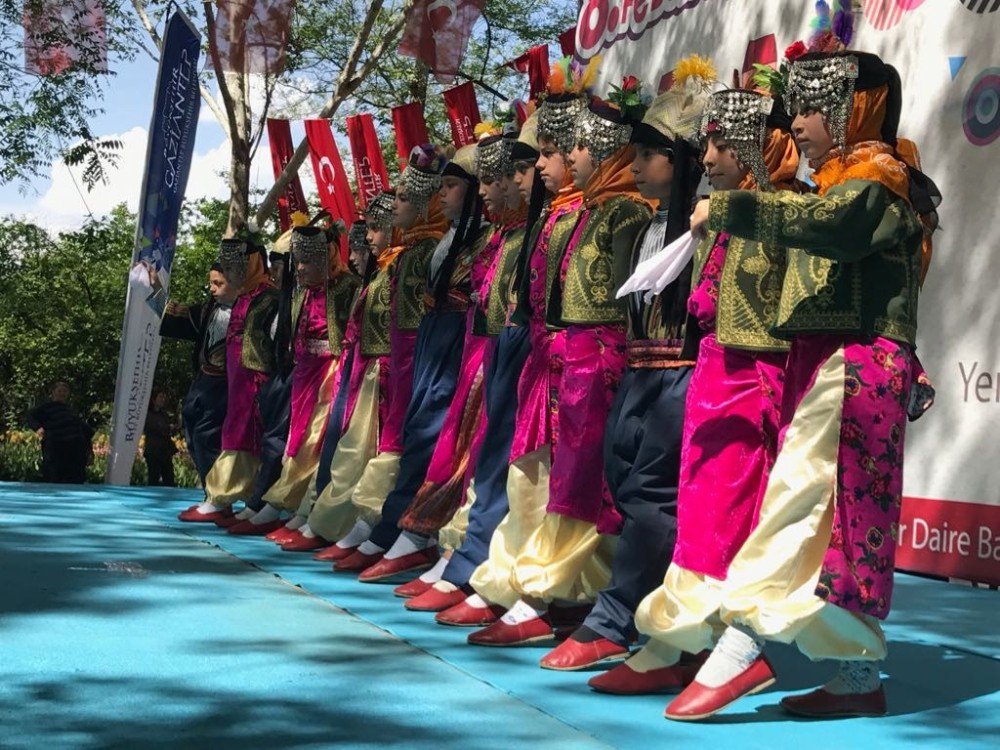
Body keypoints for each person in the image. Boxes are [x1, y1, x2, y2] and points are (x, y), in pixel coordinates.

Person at [666, 29, 939, 721]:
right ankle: (856, 679)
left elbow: (838, 228)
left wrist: (729, 208)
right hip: (829, 363)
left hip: (857, 366)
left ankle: (740, 648)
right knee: (836, 522)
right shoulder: (846, 181)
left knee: (795, 502)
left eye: (810, 112)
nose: (798, 128)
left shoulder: (878, 178)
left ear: (852, 109)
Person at [589, 66, 807, 697]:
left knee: (738, 519)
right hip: (715, 379)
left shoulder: (791, 214)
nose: (707, 156)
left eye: (721, 144)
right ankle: (686, 641)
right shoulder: (718, 220)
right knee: (705, 517)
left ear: (756, 150)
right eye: (705, 144)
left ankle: (712, 647)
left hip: (757, 387)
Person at [467, 60, 655, 646]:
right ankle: (532, 581)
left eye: (567, 149)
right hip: (555, 360)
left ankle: (561, 591)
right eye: (556, 151)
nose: (562, 161)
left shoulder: (625, 211)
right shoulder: (582, 213)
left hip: (595, 362)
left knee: (578, 481)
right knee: (536, 474)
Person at [540, 64, 710, 671]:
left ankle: (615, 621)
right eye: (633, 153)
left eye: (650, 153)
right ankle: (651, 622)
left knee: (650, 496)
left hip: (681, 371)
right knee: (622, 480)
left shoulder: (705, 225)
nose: (635, 164)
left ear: (682, 159)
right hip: (640, 370)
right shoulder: (648, 225)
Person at [436, 61, 589, 629]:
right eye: (535, 159)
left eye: (546, 157)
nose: (537, 171)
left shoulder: (596, 216)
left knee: (550, 475)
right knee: (510, 465)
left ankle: (555, 590)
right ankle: (494, 568)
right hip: (526, 353)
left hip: (572, 361)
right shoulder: (541, 222)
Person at [382, 118, 530, 591]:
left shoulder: (503, 235)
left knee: (465, 443)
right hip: (457, 343)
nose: (442, 195)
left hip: (482, 347)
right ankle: (425, 535)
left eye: (453, 185)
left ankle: (457, 547)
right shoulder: (476, 239)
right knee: (435, 434)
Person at [338, 142, 484, 579]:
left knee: (429, 434)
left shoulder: (449, 246)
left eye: (451, 186)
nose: (441, 194)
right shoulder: (425, 252)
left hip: (453, 348)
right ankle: (397, 527)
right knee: (415, 430)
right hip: (424, 351)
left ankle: (416, 533)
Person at [259, 222, 359, 549]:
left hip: (331, 371)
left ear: (327, 257)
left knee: (317, 439)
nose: (301, 268)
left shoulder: (347, 287)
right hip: (304, 372)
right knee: (299, 438)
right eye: (297, 261)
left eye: (308, 261)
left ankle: (305, 509)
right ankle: (293, 505)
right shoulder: (304, 291)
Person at [179, 231, 279, 523]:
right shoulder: (245, 298)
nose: (233, 272)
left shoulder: (269, 298)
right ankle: (230, 498)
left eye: (237, 267)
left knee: (248, 437)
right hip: (237, 383)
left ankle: (230, 499)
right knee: (233, 434)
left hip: (256, 383)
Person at [159, 263, 233, 490]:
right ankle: (210, 490)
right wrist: (155, 288)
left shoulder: (247, 312)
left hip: (225, 384)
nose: (212, 288)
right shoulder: (208, 311)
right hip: (203, 380)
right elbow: (173, 316)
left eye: (218, 283)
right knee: (191, 426)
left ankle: (217, 495)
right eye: (211, 283)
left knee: (206, 435)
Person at [26, 381, 93, 484]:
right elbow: (31, 417)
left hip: (74, 449)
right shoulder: (46, 408)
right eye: (59, 391)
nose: (62, 393)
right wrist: (38, 428)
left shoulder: (71, 411)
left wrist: (89, 452)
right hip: (55, 446)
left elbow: (85, 431)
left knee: (75, 478)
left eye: (65, 391)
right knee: (54, 477)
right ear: (53, 392)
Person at [143, 390, 177, 487]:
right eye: (160, 397)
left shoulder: (164, 415)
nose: (163, 399)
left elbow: (168, 431)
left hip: (165, 451)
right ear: (154, 399)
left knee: (169, 480)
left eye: (164, 397)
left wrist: (172, 429)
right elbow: (153, 428)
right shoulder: (148, 414)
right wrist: (167, 428)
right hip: (153, 451)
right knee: (153, 479)